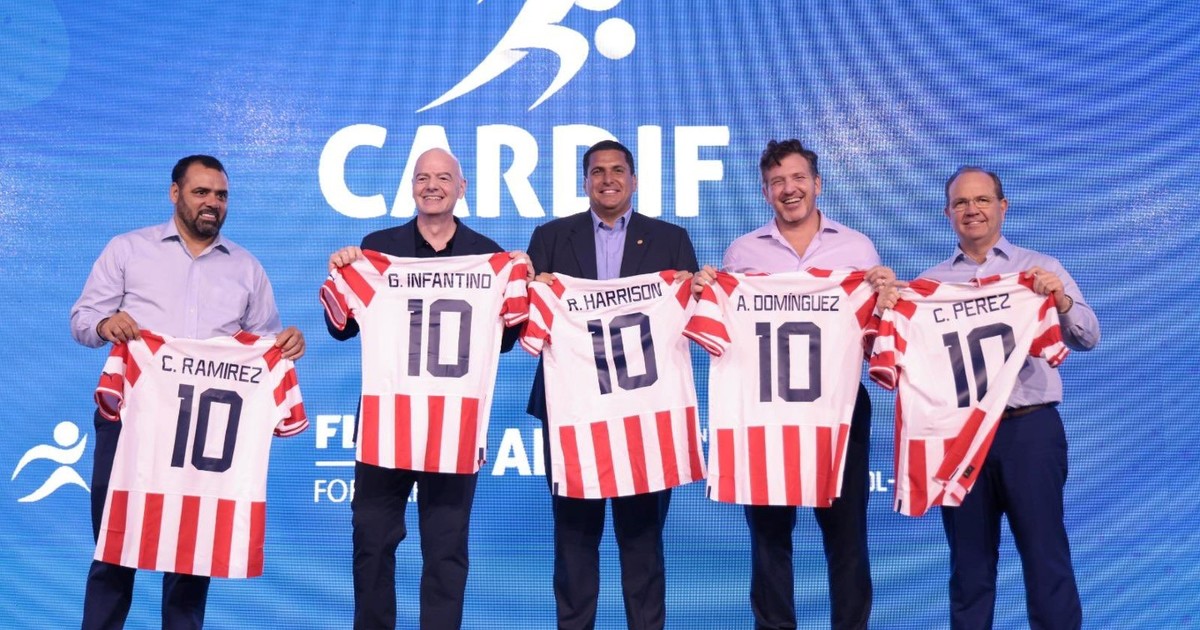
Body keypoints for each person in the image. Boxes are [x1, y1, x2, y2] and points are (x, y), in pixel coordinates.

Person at [69, 155, 305, 630]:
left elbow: (263, 345)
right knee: (115, 548)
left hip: (207, 434)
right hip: (133, 422)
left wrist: (285, 345)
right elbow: (82, 320)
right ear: (175, 193)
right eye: (201, 192)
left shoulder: (247, 268)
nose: (212, 203)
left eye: (221, 195)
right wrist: (106, 324)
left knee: (193, 558)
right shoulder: (127, 250)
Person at [693, 139, 898, 630]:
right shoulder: (741, 253)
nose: (790, 189)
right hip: (765, 412)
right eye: (778, 182)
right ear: (765, 192)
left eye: (798, 178)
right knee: (768, 538)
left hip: (838, 408)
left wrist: (886, 297)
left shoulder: (858, 249)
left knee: (847, 535)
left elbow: (874, 335)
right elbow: (724, 335)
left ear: (817, 183)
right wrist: (706, 291)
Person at [325, 148, 528, 630]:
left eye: (442, 178)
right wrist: (344, 269)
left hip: (454, 429)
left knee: (446, 551)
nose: (431, 186)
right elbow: (342, 329)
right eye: (422, 177)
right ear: (412, 186)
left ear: (462, 187)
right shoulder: (377, 249)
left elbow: (500, 343)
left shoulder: (488, 255)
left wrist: (519, 279)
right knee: (372, 544)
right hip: (386, 426)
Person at [526, 139, 698, 630]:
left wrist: (702, 289)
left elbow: (690, 317)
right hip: (572, 412)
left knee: (642, 542)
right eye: (597, 171)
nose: (608, 179)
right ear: (585, 182)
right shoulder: (550, 238)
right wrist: (529, 286)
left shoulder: (670, 239)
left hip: (644, 411)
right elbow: (526, 320)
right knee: (574, 541)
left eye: (618, 170)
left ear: (634, 180)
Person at [925, 166, 1098, 629]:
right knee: (969, 568)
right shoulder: (929, 285)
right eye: (961, 202)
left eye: (982, 200)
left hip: (1029, 429)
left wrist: (1060, 301)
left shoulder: (1039, 268)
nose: (972, 210)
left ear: (1003, 207)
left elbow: (1088, 336)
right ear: (947, 213)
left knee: (1046, 560)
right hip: (961, 437)